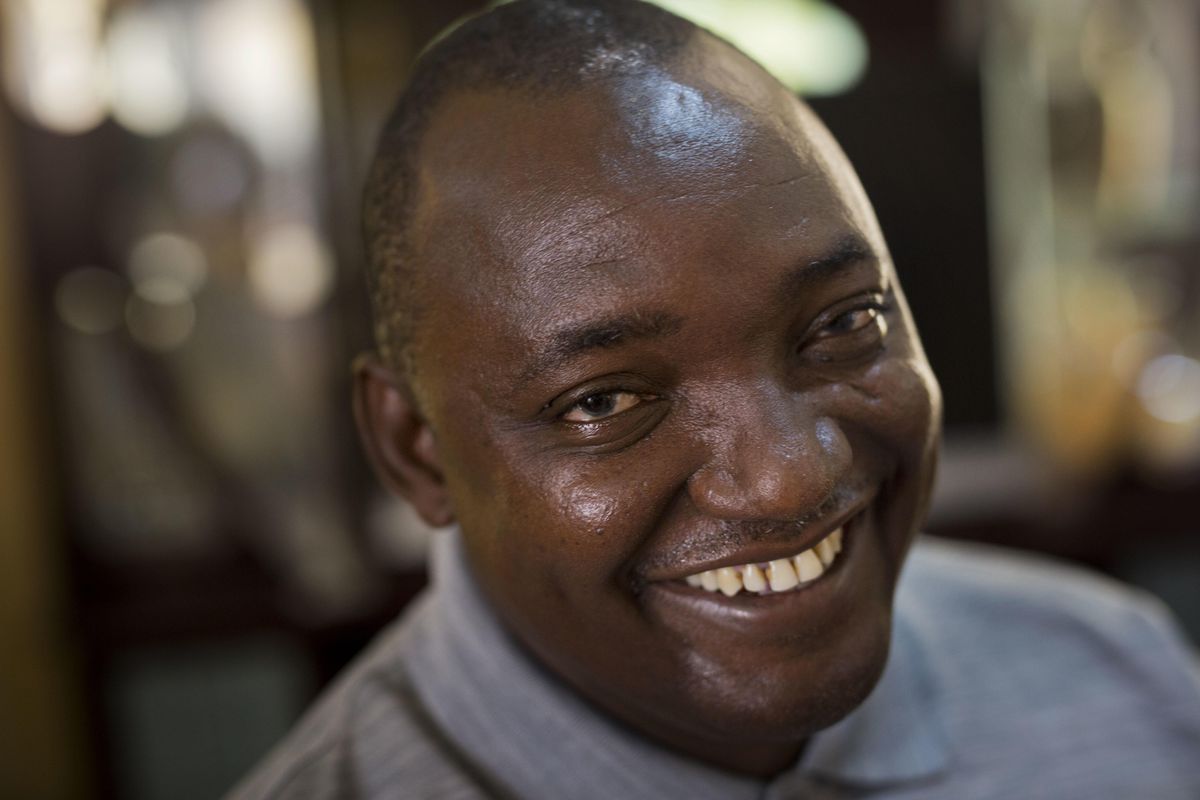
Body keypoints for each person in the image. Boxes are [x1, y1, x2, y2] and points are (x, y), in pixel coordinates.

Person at [229, 1, 1200, 797]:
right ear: (416, 450)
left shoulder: (1124, 689)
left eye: (842, 323)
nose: (789, 475)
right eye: (603, 401)